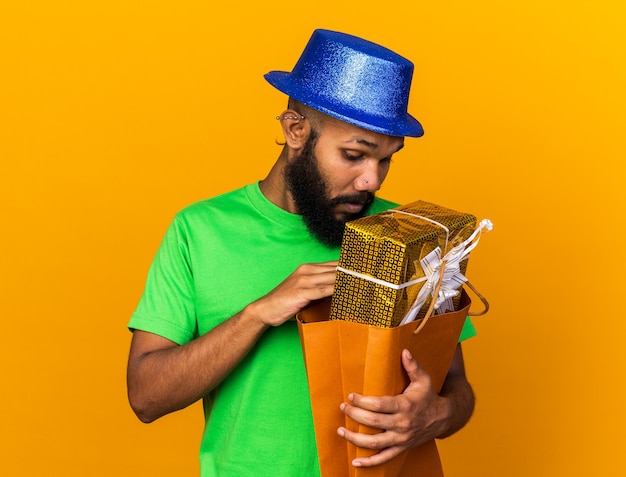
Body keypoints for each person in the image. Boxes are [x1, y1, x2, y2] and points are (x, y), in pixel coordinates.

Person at [127, 29, 476, 476]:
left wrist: (436, 416)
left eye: (387, 159)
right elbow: (146, 397)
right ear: (295, 130)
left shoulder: (407, 234)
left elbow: (457, 388)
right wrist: (259, 313)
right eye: (354, 155)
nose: (373, 180)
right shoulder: (200, 231)